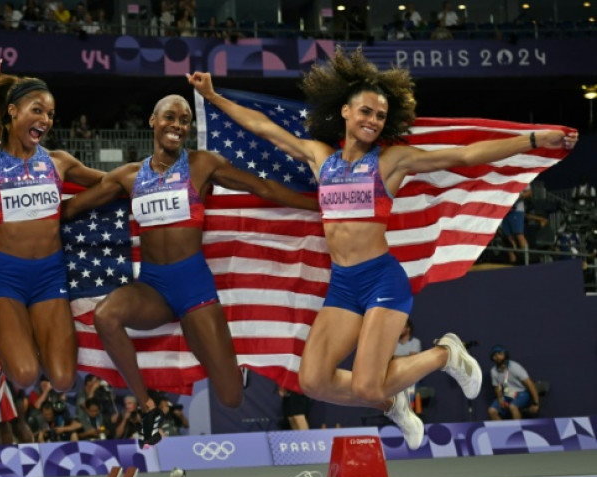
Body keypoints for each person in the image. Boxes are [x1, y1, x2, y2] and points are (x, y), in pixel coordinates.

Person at [188, 48, 577, 450]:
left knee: (367, 382)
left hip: (381, 281)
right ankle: (393, 400)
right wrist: (214, 98)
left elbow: (464, 155)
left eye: (379, 115)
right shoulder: (321, 158)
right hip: (343, 286)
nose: (373, 120)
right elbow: (265, 129)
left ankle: (446, 354)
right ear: (344, 112)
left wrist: (531, 139)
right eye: (366, 112)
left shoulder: (391, 162)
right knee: (313, 380)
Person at [60, 94, 318, 447]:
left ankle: (228, 365)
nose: (178, 125)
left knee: (231, 397)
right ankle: (149, 408)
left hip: (194, 288)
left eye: (184, 120)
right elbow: (71, 208)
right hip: (152, 288)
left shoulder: (202, 164)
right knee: (105, 315)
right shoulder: (128, 176)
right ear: (153, 120)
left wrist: (320, 204)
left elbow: (263, 187)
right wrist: (6, 226)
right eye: (170, 117)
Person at [0, 75, 104, 395]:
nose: (45, 120)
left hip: (49, 276)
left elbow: (110, 184)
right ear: (13, 111)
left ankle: (23, 337)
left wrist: (162, 174)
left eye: (51, 115)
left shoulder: (59, 162)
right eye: (38, 110)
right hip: (5, 279)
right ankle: (6, 346)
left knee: (63, 380)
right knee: (26, 375)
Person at [488, 345, 540, 420]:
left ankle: (517, 430)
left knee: (513, 407)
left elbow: (530, 384)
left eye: (499, 353)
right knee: (492, 411)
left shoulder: (515, 367)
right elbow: (497, 387)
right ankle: (502, 431)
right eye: (494, 355)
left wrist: (536, 403)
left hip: (522, 393)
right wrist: (500, 399)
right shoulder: (493, 371)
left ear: (505, 354)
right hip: (507, 394)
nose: (497, 357)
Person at [500, 186, 532, 264]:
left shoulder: (521, 177)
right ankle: (513, 263)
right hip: (503, 211)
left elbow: (529, 193)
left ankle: (526, 262)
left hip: (516, 211)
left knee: (519, 235)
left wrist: (516, 197)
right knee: (507, 238)